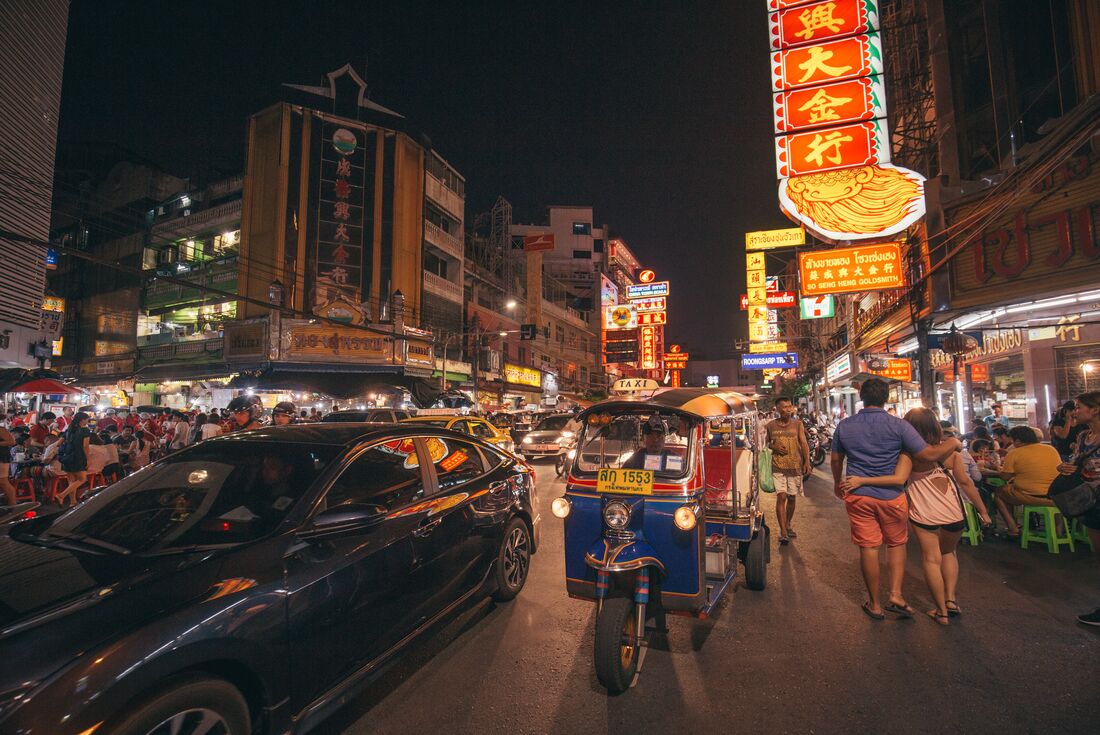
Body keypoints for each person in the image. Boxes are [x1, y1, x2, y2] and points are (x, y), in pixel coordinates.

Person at [843, 408, 991, 626]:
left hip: (925, 515)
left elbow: (898, 479)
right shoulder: (952, 453)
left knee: (932, 559)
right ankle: (951, 600)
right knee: (949, 553)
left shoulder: (907, 455)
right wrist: (983, 511)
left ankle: (941, 612)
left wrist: (862, 481)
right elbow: (966, 483)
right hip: (954, 514)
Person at [831, 379, 962, 620]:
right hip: (892, 495)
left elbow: (836, 459)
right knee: (896, 543)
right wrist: (953, 442)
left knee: (869, 547)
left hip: (859, 495)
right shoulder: (899, 426)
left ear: (862, 397)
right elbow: (927, 454)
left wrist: (838, 482)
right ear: (886, 397)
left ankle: (874, 604)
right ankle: (895, 594)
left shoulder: (845, 426)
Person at [1054, 393, 1100, 626]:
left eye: (1079, 407)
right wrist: (1064, 467)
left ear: (1095, 410)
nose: (1074, 411)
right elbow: (1075, 463)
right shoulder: (1083, 436)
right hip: (1090, 500)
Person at [988, 425, 1062, 538]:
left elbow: (1005, 477)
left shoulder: (1015, 453)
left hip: (1031, 496)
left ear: (1018, 440)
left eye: (1013, 440)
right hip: (1056, 497)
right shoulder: (1051, 449)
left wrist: (997, 470)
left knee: (999, 492)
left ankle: (1013, 529)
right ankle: (1058, 532)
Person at [766, 397, 811, 545]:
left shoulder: (797, 424)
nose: (788, 409)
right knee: (782, 497)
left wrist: (807, 462)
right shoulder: (771, 425)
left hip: (795, 466)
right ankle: (783, 532)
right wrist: (775, 447)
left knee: (792, 498)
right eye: (784, 407)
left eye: (790, 406)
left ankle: (788, 523)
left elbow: (803, 443)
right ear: (777, 409)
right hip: (778, 466)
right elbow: (767, 443)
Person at [57, 412, 92, 508]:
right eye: (87, 419)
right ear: (82, 420)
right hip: (78, 457)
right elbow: (85, 446)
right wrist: (88, 460)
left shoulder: (69, 430)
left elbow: (58, 443)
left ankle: (73, 502)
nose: (87, 421)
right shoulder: (85, 431)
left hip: (67, 457)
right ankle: (61, 495)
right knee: (82, 479)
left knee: (72, 481)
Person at [0, 416, 17, 507]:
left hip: (1, 457)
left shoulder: (1, 429)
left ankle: (13, 507)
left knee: (3, 482)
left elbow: (12, 441)